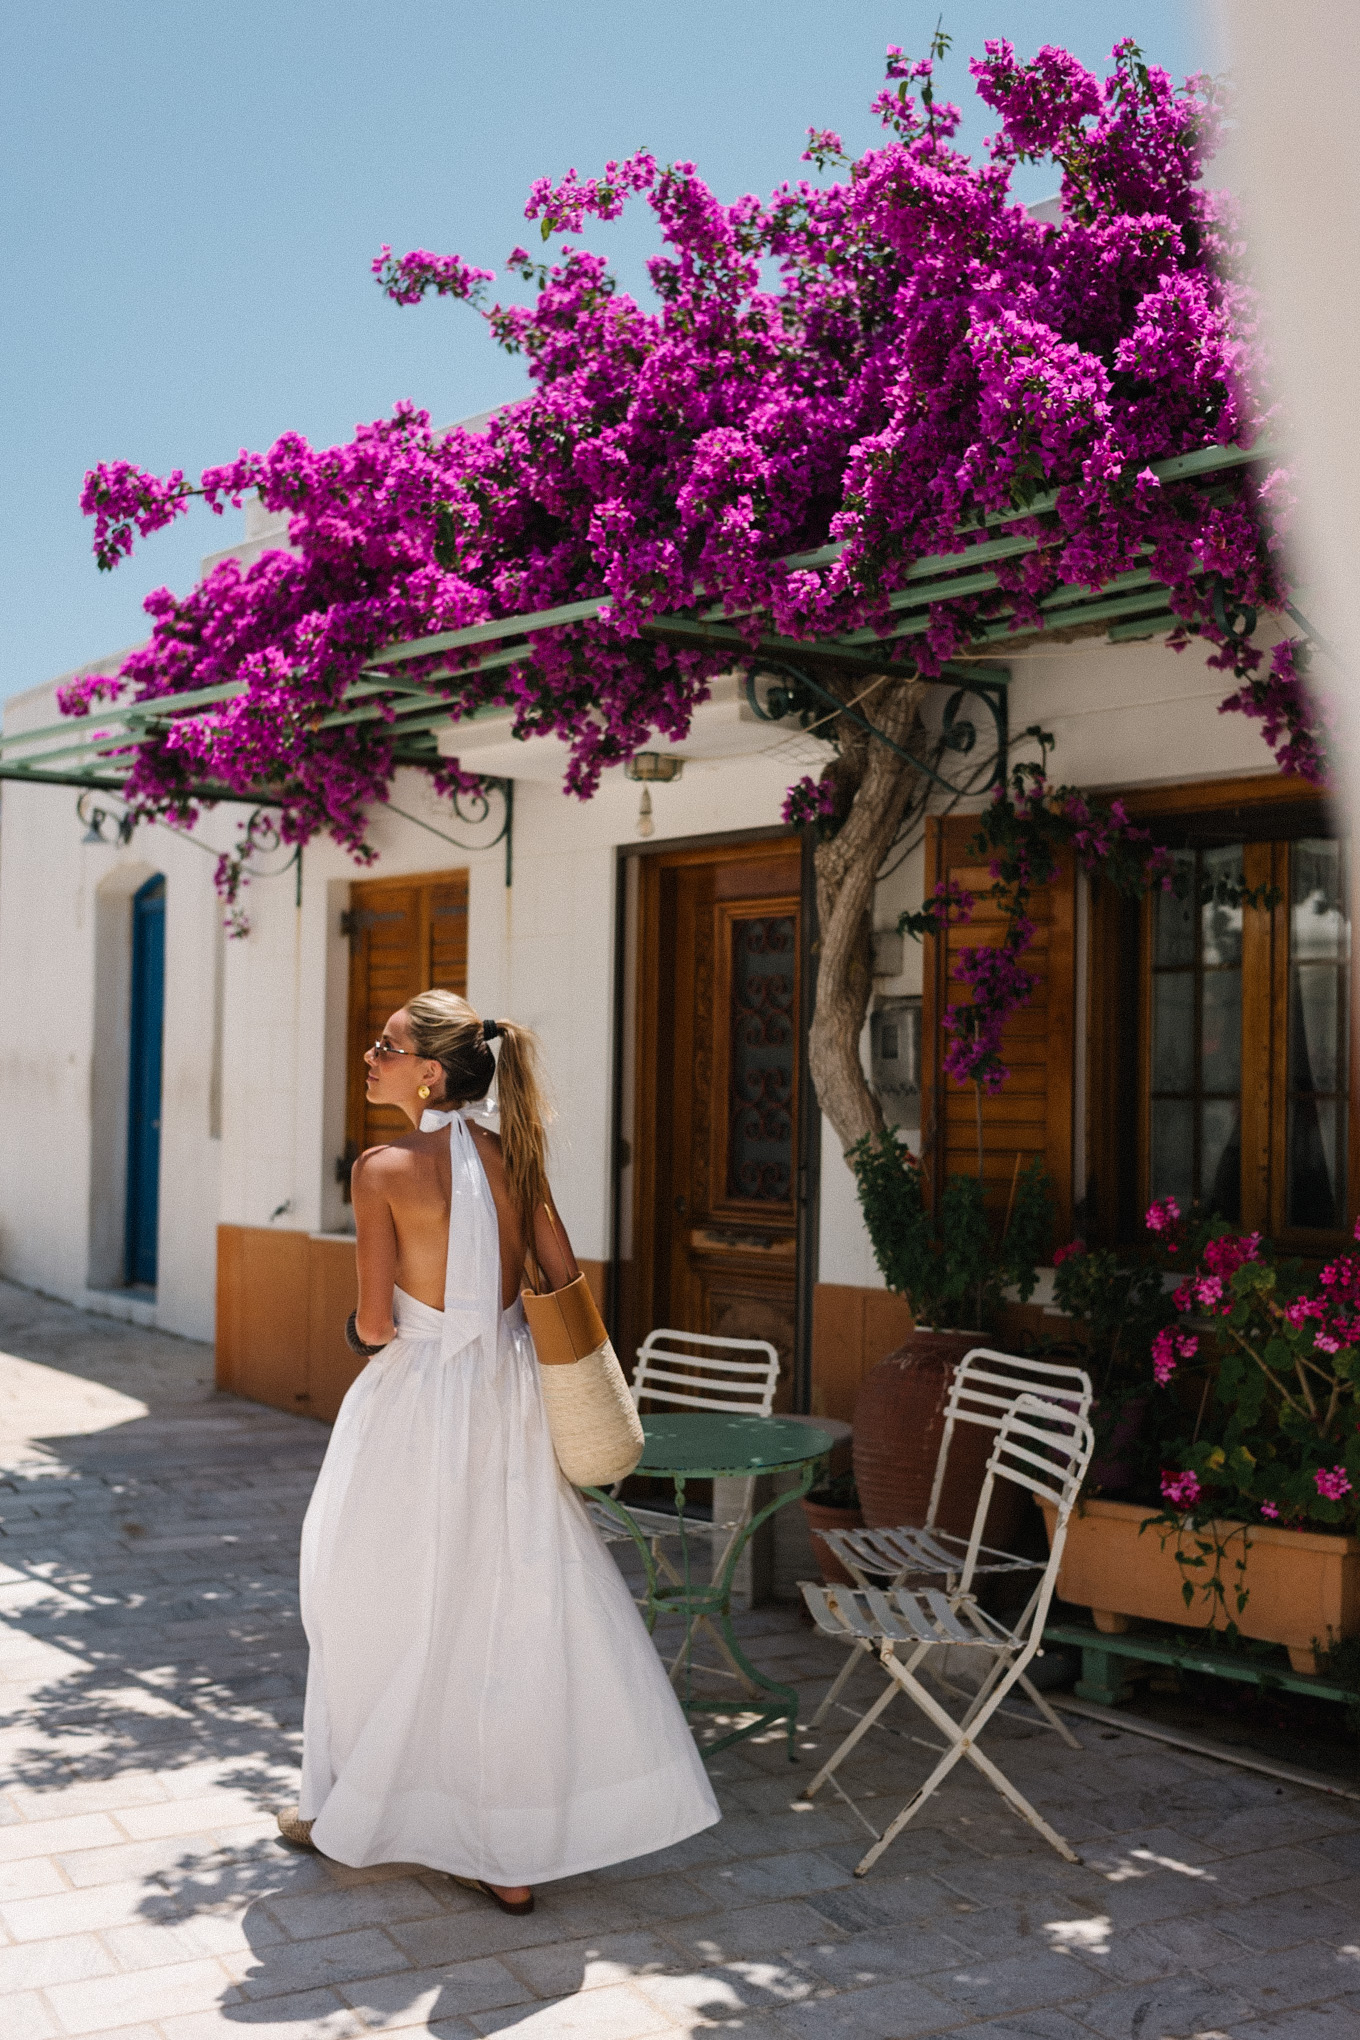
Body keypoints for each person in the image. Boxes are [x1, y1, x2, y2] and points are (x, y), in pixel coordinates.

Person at [279, 990, 720, 1912]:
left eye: (386, 1044)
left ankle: (356, 1801)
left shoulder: (380, 1168)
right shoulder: (516, 1153)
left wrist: (372, 1331)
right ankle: (507, 1853)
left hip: (420, 1404)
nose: (370, 1053)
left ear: (429, 1071)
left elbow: (371, 1322)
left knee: (380, 1596)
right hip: (515, 1400)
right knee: (514, 1604)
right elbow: (559, 1275)